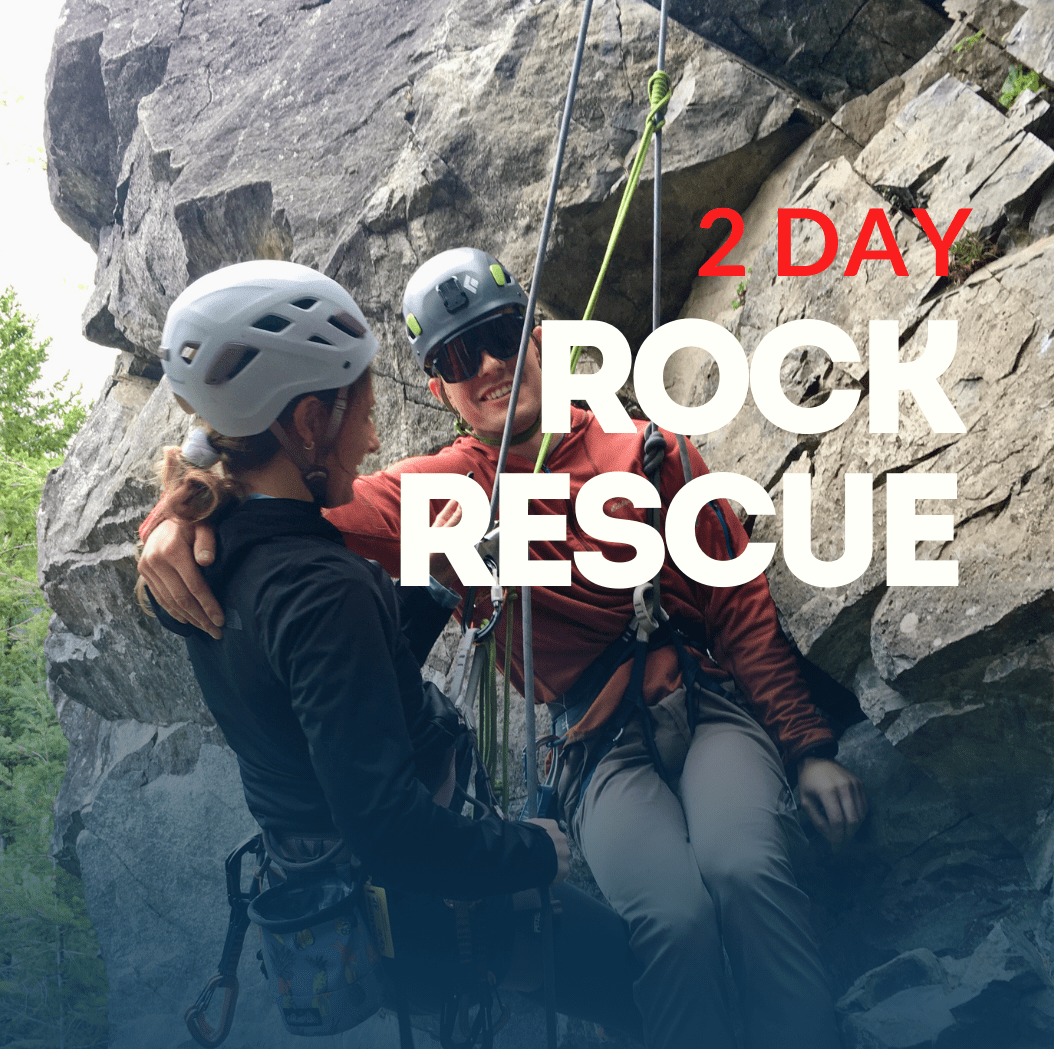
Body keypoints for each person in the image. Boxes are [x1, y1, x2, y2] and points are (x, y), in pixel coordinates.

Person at [141, 249, 868, 1049]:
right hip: (599, 743)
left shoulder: (651, 451)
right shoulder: (439, 494)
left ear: (543, 338)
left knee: (745, 870)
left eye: (502, 334)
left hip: (709, 705)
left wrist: (808, 749)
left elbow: (739, 610)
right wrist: (176, 517)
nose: (487, 363)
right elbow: (270, 517)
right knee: (671, 917)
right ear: (440, 388)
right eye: (458, 355)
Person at [141, 259, 641, 1042]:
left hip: (336, 887)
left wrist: (429, 594)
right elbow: (392, 832)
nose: (372, 437)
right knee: (629, 977)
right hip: (430, 900)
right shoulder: (320, 589)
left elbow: (328, 697)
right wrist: (531, 853)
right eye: (362, 412)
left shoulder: (213, 553)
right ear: (308, 422)